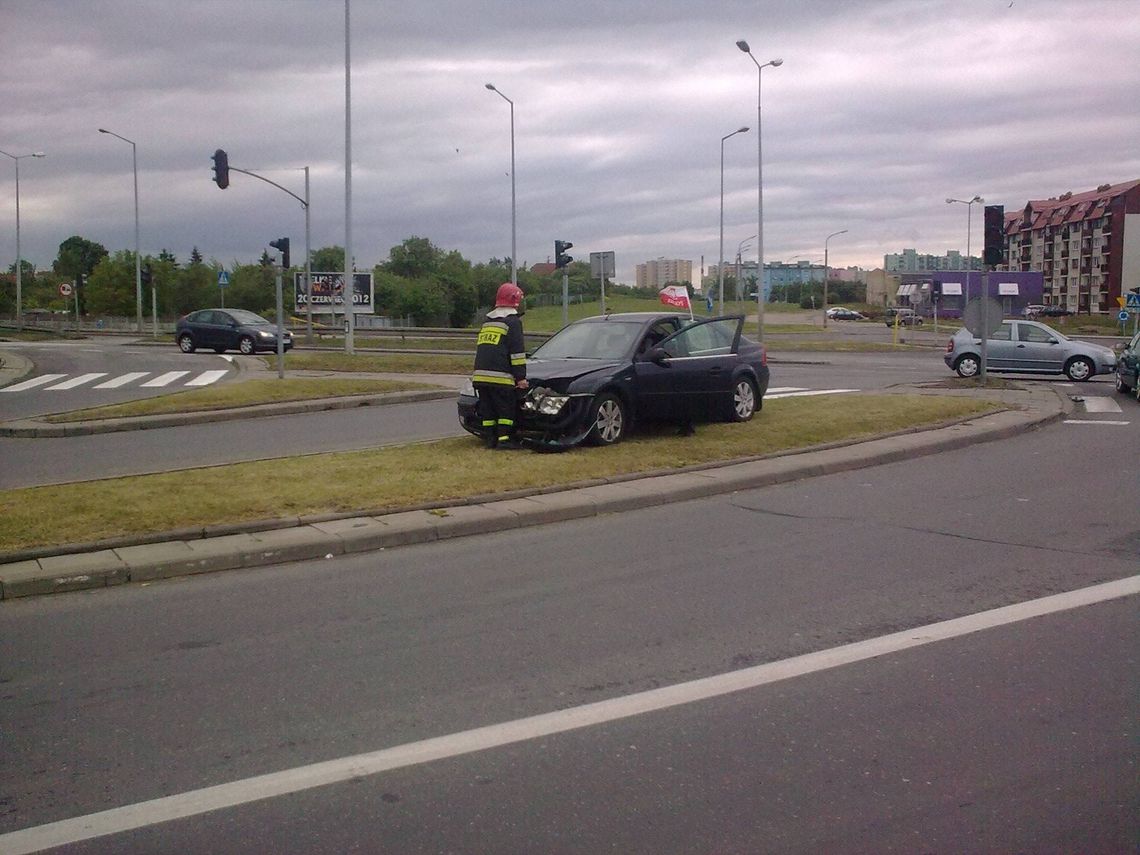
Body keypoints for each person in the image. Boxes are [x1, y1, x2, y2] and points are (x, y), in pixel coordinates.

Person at [472, 282, 529, 449]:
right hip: (501, 377)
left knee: (488, 410)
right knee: (505, 410)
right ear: (515, 300)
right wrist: (520, 378)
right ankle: (504, 440)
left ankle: (490, 439)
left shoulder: (487, 322)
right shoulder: (513, 323)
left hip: (480, 376)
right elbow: (517, 354)